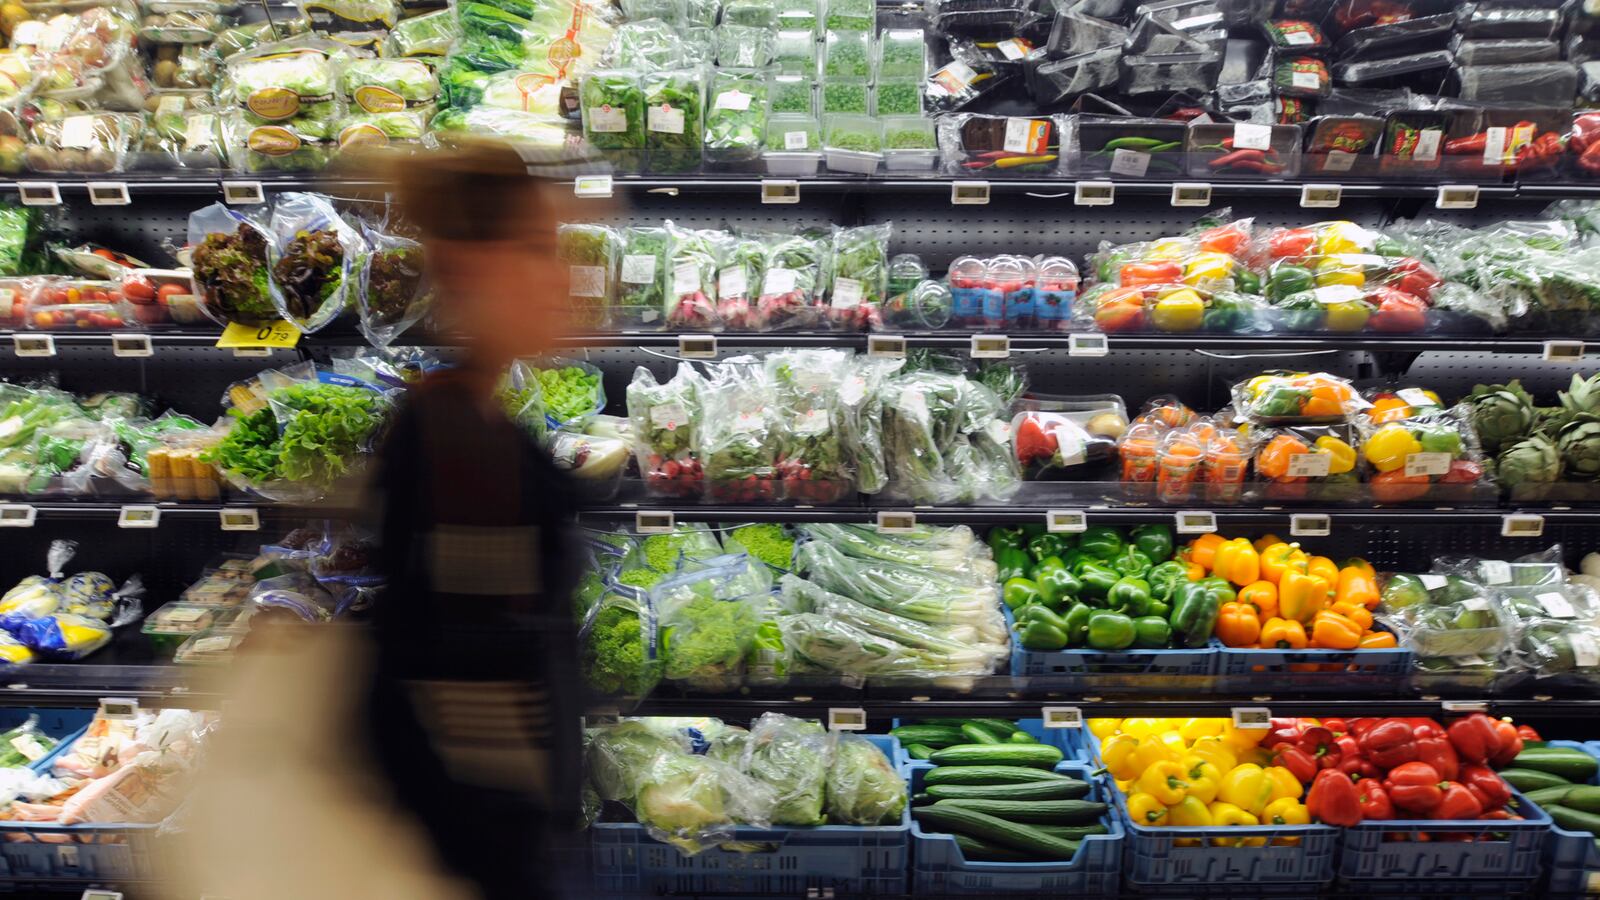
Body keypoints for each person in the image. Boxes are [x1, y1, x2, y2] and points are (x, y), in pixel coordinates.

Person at [361, 139, 588, 899]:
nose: (561, 278)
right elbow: (471, 696)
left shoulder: (468, 419)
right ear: (476, 270)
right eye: (536, 251)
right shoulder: (462, 447)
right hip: (475, 848)